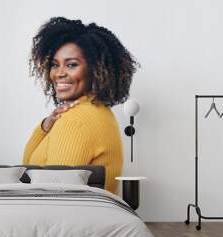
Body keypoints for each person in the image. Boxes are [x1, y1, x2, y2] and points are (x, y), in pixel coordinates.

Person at [23, 17, 138, 195]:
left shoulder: (77, 120)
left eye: (71, 65)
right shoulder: (97, 110)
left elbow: (54, 194)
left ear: (95, 69)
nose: (59, 73)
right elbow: (28, 167)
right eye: (55, 64)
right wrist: (45, 126)